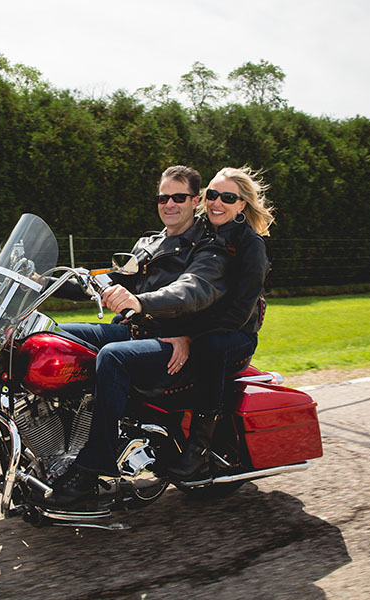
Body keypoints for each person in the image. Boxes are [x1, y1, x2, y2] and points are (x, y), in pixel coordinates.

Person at [48, 165, 229, 504]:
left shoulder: (208, 247)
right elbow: (118, 279)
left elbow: (191, 290)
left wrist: (140, 302)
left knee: (113, 358)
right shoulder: (149, 242)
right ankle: (55, 442)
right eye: (163, 197)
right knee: (53, 336)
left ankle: (94, 462)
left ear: (196, 200)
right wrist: (44, 284)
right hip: (137, 332)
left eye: (178, 197)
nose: (169, 204)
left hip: (176, 344)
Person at [155, 166, 274, 481]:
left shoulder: (251, 244)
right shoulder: (203, 232)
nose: (217, 202)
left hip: (236, 335)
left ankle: (199, 450)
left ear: (241, 205)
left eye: (228, 197)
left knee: (209, 348)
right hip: (202, 329)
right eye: (212, 195)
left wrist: (191, 336)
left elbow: (240, 310)